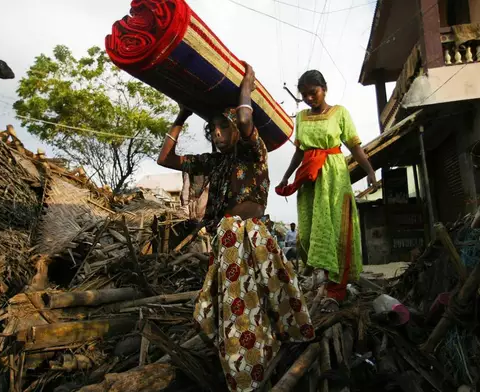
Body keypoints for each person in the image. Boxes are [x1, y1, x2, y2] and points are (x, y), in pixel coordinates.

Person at [157, 63, 314, 392]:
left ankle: (278, 359)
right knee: (238, 311)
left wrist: (246, 87)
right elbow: (165, 159)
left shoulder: (253, 153)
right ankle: (246, 374)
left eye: (221, 127)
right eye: (212, 128)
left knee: (269, 301)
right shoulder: (213, 161)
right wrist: (181, 116)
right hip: (227, 241)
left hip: (255, 236)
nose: (216, 133)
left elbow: (245, 120)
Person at [276, 70, 377, 308]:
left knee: (337, 229)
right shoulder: (301, 118)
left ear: (324, 88)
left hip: (334, 177)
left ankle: (336, 290)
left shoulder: (340, 113)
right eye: (305, 95)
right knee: (311, 230)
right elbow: (299, 151)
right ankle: (319, 277)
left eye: (313, 93)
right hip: (310, 179)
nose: (309, 98)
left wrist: (370, 171)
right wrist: (285, 177)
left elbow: (354, 146)